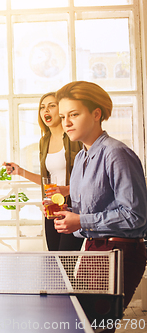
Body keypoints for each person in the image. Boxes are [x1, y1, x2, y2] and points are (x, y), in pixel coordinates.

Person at [54, 81, 147, 314]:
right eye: (63, 116)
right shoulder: (80, 159)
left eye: (74, 114)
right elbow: (85, 213)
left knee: (97, 325)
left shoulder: (116, 153)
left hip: (120, 254)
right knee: (84, 321)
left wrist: (81, 221)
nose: (66, 123)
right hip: (93, 249)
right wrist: (68, 219)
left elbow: (135, 216)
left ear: (96, 114)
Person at [3, 92, 83, 252]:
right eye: (42, 107)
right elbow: (46, 180)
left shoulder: (74, 138)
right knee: (55, 261)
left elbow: (87, 177)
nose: (46, 110)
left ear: (61, 110)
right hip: (52, 208)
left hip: (72, 209)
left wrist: (67, 189)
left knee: (65, 262)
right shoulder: (44, 141)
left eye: (51, 105)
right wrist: (19, 171)